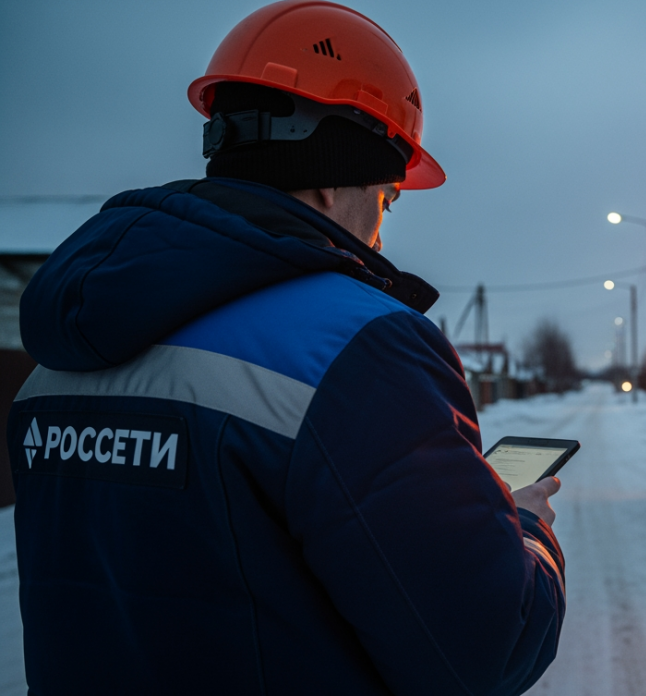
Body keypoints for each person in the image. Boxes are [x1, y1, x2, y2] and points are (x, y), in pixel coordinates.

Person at [7, 2, 565, 693]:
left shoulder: (60, 351)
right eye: (388, 197)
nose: (382, 229)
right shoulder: (361, 347)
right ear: (334, 175)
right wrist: (526, 530)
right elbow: (488, 648)